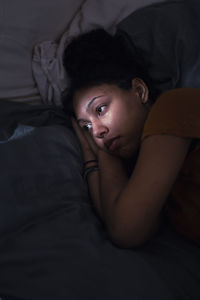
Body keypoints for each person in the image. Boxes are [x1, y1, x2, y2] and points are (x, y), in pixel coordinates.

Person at [62, 29, 200, 248]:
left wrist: (101, 153)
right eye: (86, 127)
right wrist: (91, 157)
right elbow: (117, 218)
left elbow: (125, 230)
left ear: (139, 90)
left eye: (100, 109)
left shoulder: (173, 107)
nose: (96, 132)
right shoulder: (148, 173)